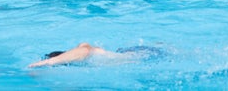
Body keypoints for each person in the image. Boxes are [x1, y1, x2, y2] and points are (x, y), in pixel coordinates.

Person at [29, 42, 162, 67]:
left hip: (145, 54)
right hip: (131, 53)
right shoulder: (83, 62)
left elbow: (85, 49)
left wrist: (48, 62)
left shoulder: (83, 52)